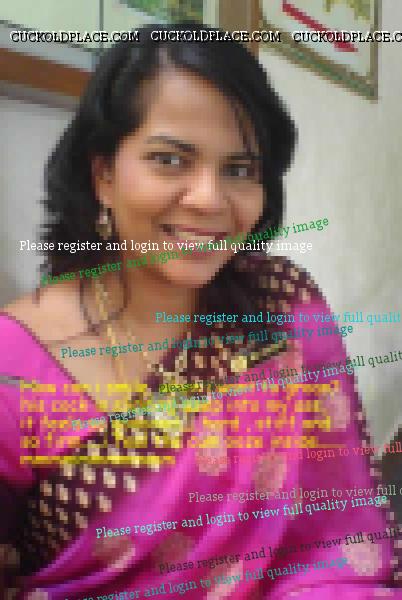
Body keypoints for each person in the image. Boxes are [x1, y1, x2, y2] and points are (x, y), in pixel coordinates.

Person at [0, 23, 400, 600]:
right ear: (103, 173)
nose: (210, 199)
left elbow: (336, 544)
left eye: (239, 169)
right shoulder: (15, 364)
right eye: (170, 160)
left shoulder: (281, 306)